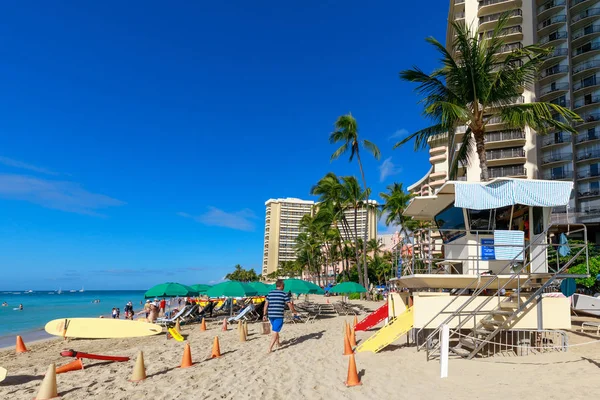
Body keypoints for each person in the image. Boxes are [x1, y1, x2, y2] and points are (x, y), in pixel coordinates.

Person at [263, 279, 298, 353]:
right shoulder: (284, 294)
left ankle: (278, 343)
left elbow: (266, 304)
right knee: (275, 331)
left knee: (276, 329)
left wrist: (264, 314)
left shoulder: (270, 293)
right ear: (281, 286)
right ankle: (270, 348)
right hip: (278, 315)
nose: (284, 287)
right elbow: (289, 304)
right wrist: (294, 311)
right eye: (284, 286)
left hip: (271, 315)